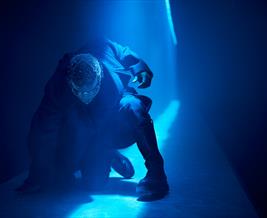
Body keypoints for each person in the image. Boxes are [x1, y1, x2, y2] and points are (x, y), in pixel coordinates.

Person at [16, 38, 169, 201]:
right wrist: (38, 174)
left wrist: (139, 67)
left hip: (116, 109)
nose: (86, 97)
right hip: (89, 131)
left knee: (134, 106)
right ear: (69, 81)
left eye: (91, 90)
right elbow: (42, 131)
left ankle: (156, 171)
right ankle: (110, 154)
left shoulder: (102, 47)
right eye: (80, 92)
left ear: (101, 74)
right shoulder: (57, 87)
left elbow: (123, 51)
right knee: (93, 183)